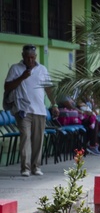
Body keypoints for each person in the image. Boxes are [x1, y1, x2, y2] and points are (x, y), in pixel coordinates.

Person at [4, 44, 59, 176]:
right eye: (28, 57)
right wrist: (22, 77)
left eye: (33, 57)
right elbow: (7, 87)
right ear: (23, 56)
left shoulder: (42, 69)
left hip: (40, 110)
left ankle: (36, 167)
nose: (30, 60)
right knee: (25, 137)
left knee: (38, 140)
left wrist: (54, 104)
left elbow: (48, 88)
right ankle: (25, 168)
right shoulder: (15, 69)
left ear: (35, 57)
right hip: (22, 109)